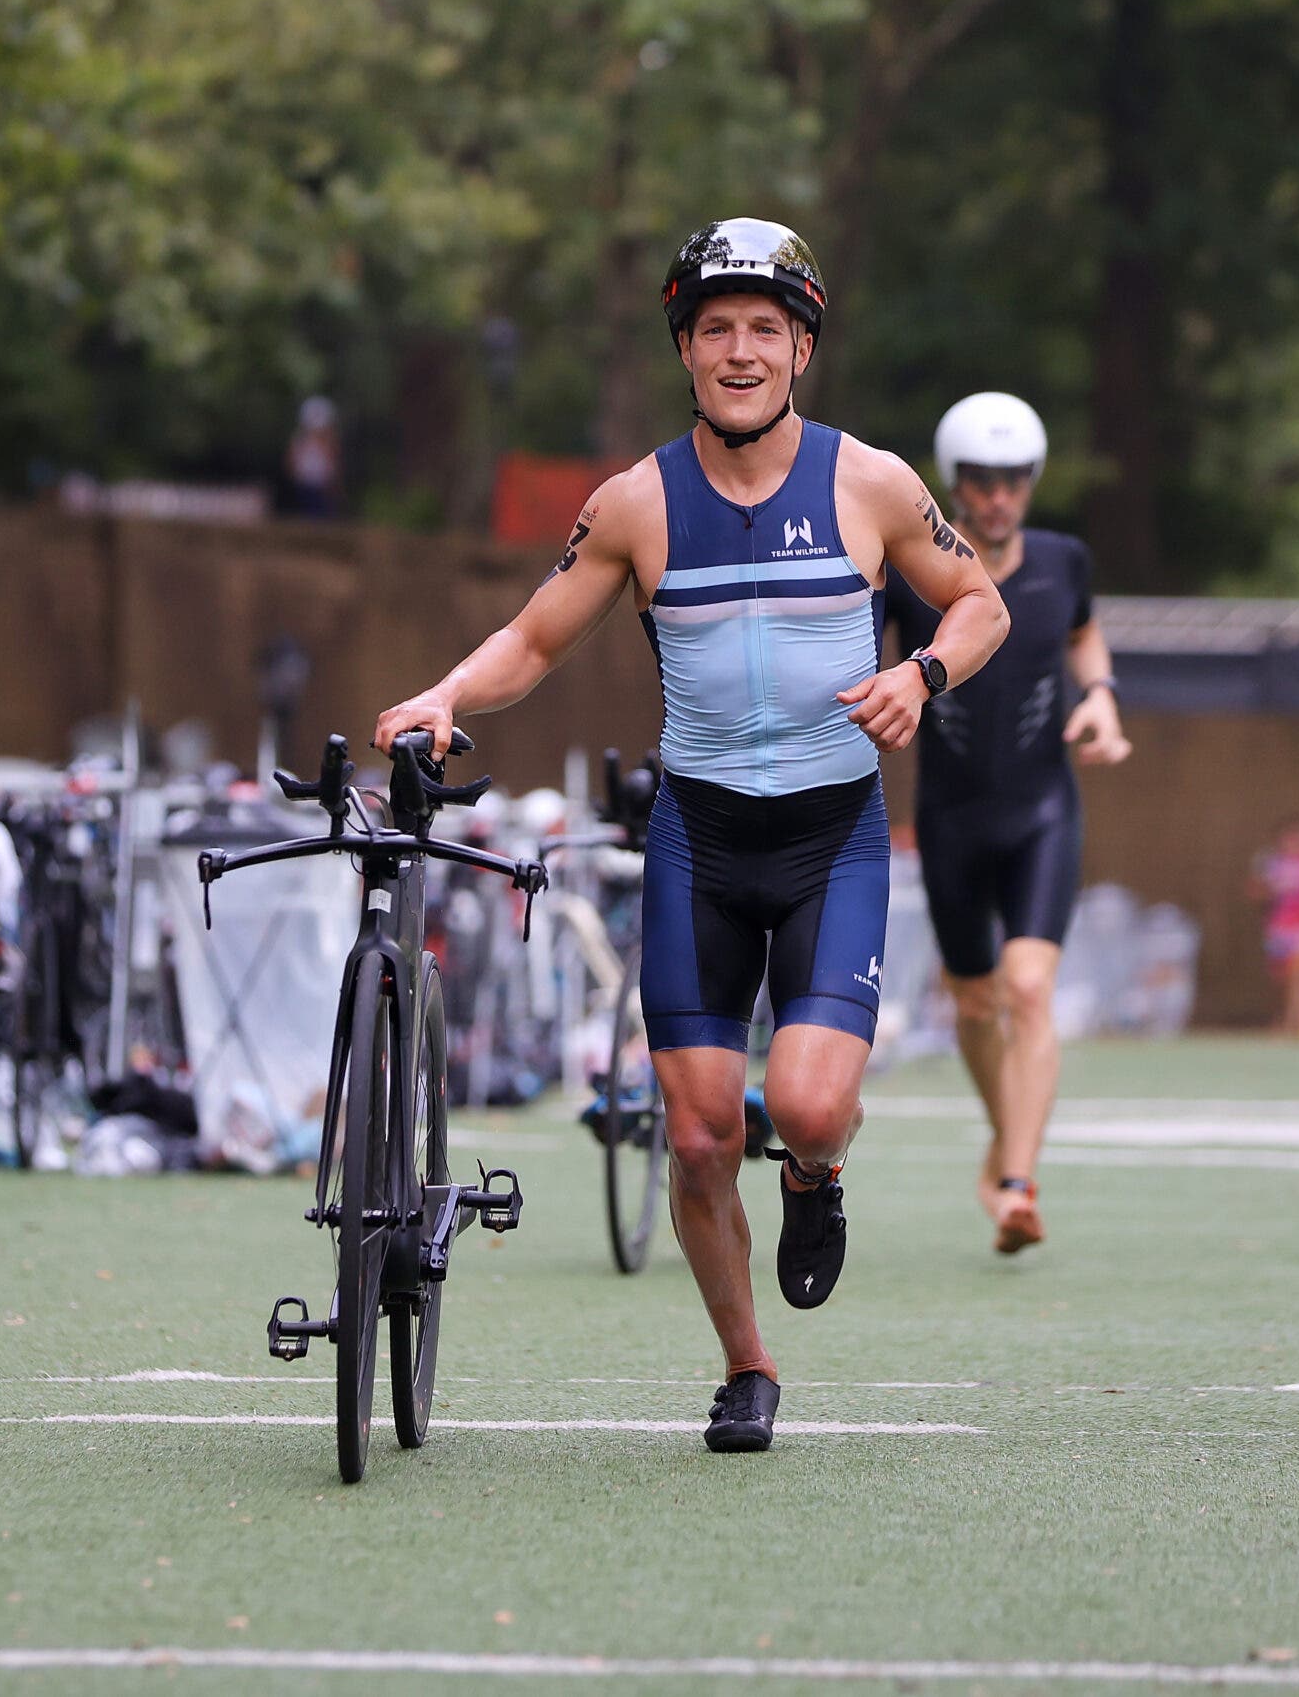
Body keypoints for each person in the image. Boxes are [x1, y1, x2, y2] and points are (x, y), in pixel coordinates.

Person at [373, 218, 1007, 1454]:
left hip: (832, 840)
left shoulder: (870, 483)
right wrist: (446, 693)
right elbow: (534, 640)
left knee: (809, 1109)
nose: (738, 350)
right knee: (705, 1128)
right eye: (713, 329)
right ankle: (745, 1366)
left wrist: (922, 675)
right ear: (684, 350)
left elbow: (980, 600)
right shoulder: (635, 504)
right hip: (698, 843)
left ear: (801, 349)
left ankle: (817, 1178)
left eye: (763, 329)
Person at [885, 392, 1131, 1258]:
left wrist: (1100, 695)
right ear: (955, 485)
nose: (998, 499)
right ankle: (1008, 1139)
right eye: (982, 483)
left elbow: (1085, 635)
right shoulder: (916, 572)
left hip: (1042, 812)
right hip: (950, 819)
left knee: (1029, 989)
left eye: (1014, 481)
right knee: (974, 1001)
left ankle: (1017, 1183)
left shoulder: (1065, 560)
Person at [1250, 819, 1299, 1035]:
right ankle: (1279, 1020)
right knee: (1279, 980)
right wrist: (1266, 888)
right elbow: (1256, 893)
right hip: (1277, 928)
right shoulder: (1272, 863)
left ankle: (1296, 1025)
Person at [285, 395, 343, 518]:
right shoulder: (299, 440)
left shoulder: (329, 441)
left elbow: (333, 461)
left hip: (323, 486)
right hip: (304, 485)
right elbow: (291, 461)